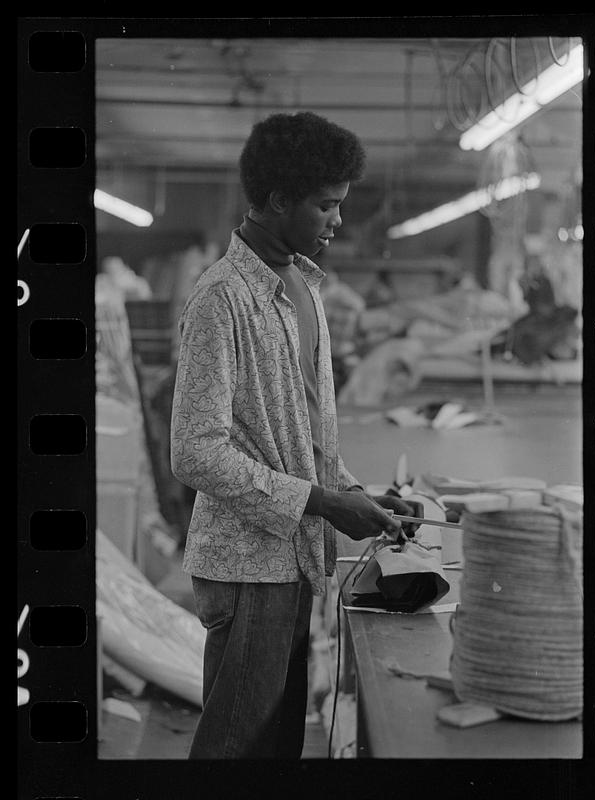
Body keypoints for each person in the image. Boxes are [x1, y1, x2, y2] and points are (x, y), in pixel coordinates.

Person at [170, 111, 421, 759]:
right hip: (247, 566)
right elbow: (194, 451)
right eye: (325, 206)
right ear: (277, 200)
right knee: (235, 745)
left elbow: (304, 432)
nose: (337, 220)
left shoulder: (303, 286)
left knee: (275, 743)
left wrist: (354, 493)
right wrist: (322, 502)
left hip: (293, 562)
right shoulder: (221, 299)